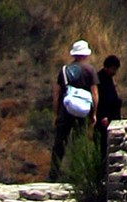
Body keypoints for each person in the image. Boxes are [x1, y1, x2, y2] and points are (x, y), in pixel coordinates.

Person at [51, 40, 98, 174]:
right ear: (86, 55)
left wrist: (56, 114)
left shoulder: (65, 70)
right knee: (79, 142)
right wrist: (93, 113)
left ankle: (54, 173)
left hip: (66, 110)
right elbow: (95, 94)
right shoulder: (90, 70)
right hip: (83, 111)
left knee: (60, 142)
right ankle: (77, 173)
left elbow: (57, 93)